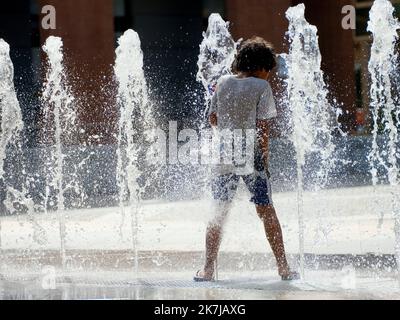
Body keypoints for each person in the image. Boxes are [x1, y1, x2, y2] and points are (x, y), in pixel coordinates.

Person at [194, 37, 299, 282]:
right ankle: (283, 267)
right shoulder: (261, 87)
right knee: (266, 211)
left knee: (218, 212)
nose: (269, 75)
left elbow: (213, 120)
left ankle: (208, 269)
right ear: (262, 66)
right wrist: (265, 160)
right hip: (251, 155)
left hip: (223, 156)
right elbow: (263, 129)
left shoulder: (222, 82)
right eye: (269, 70)